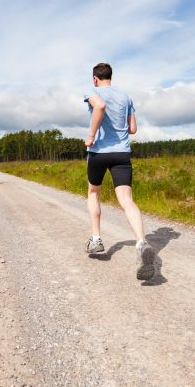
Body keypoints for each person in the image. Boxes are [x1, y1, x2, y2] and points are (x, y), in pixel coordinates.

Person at [83, 63, 154, 279]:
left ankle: (96, 240)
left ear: (95, 78)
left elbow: (100, 106)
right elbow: (132, 129)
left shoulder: (92, 92)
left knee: (94, 193)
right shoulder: (126, 96)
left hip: (98, 152)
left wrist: (92, 135)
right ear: (110, 77)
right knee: (126, 199)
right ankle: (141, 242)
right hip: (122, 153)